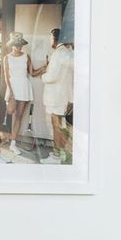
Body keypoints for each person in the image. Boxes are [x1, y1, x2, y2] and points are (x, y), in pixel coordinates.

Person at [2, 31, 44, 159]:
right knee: (10, 111)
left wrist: (44, 67)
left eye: (21, 44)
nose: (19, 47)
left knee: (19, 116)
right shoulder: (6, 58)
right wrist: (11, 93)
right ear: (12, 45)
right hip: (13, 87)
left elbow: (33, 73)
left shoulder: (26, 56)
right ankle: (6, 136)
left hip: (24, 87)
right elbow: (6, 77)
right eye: (16, 44)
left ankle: (13, 144)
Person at [41, 28, 74, 164]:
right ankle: (61, 154)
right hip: (63, 97)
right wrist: (71, 99)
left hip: (55, 98)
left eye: (50, 38)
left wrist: (43, 76)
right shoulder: (68, 53)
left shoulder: (58, 53)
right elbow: (70, 79)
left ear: (55, 39)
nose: (50, 41)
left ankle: (56, 156)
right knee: (60, 127)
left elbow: (52, 76)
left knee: (56, 127)